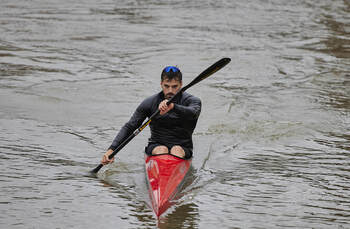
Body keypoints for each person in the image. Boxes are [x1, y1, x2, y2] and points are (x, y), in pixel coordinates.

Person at [101, 66, 201, 165]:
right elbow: (130, 126)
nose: (170, 90)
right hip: (156, 146)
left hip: (183, 147)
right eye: (166, 86)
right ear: (161, 84)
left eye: (174, 86)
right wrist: (111, 149)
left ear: (181, 85)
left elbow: (193, 113)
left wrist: (173, 107)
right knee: (161, 150)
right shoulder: (150, 103)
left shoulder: (192, 101)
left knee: (176, 150)